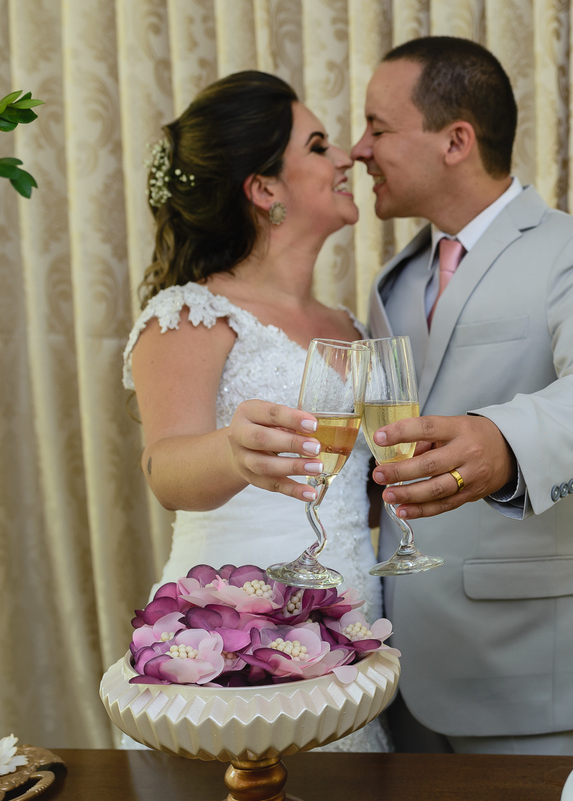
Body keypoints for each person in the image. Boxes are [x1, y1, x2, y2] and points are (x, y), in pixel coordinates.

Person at [351, 37, 573, 755]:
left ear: (456, 140)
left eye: (379, 126)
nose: (359, 149)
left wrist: (504, 440)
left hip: (532, 674)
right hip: (399, 678)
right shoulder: (393, 282)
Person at [122, 71, 388, 751]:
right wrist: (232, 453)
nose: (347, 159)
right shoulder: (190, 313)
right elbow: (166, 466)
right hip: (231, 644)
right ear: (264, 189)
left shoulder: (352, 325)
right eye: (320, 145)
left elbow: (355, 489)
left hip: (349, 640)